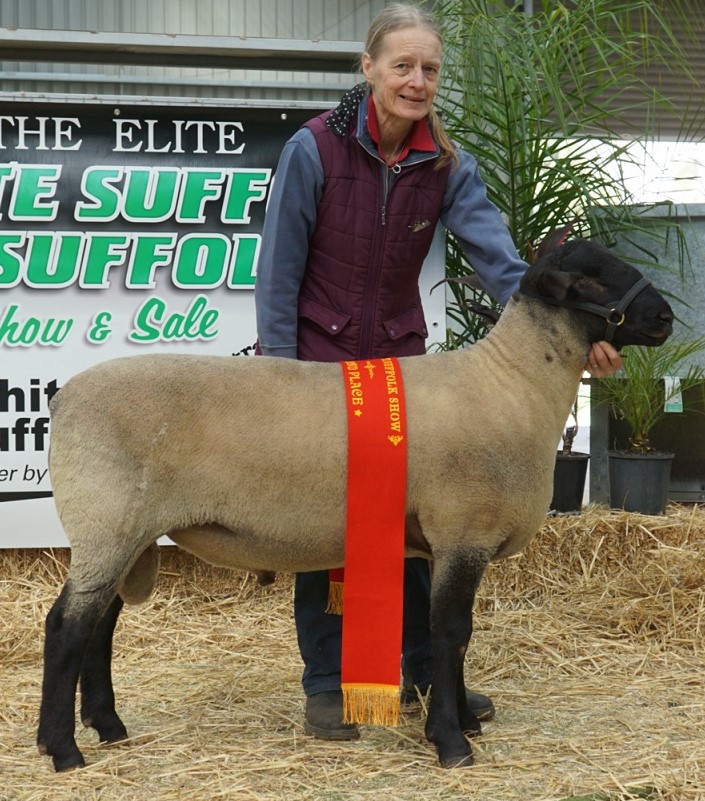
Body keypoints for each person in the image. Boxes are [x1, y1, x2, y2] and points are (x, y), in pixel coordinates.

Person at [254, 2, 622, 741]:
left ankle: (426, 670)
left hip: (399, 369)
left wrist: (574, 327)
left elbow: (503, 265)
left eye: (428, 69)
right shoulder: (313, 149)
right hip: (318, 372)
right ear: (368, 69)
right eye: (402, 66)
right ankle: (330, 684)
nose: (417, 81)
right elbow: (278, 271)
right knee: (323, 525)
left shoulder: (449, 163)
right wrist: (278, 378)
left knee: (424, 524)